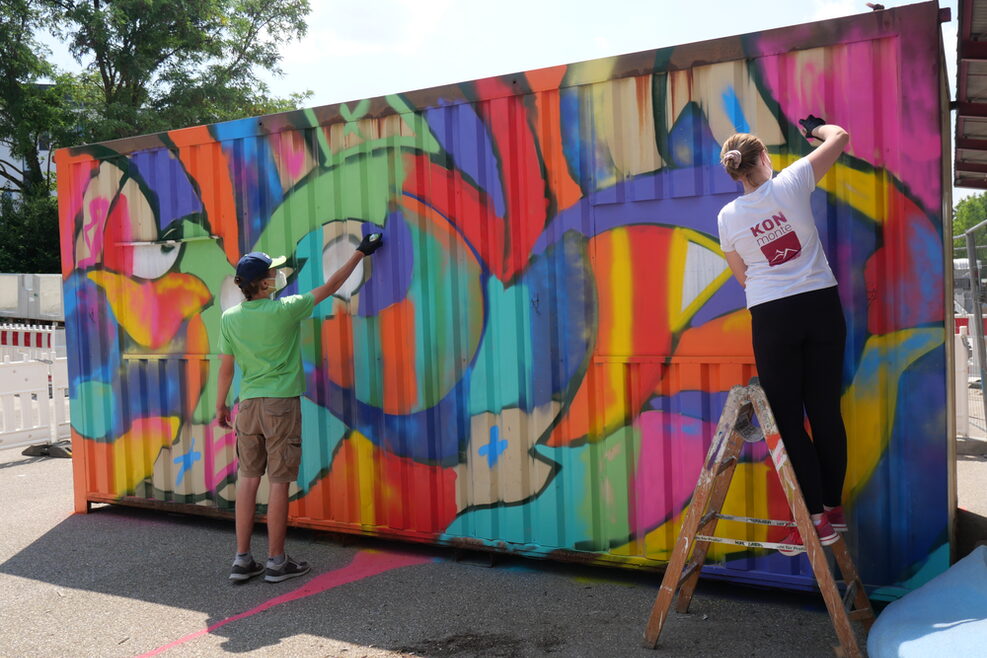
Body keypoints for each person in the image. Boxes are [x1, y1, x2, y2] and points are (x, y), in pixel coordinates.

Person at [716, 115, 850, 555]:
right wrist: (817, 129)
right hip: (822, 307)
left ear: (736, 170)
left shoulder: (728, 216)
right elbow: (840, 138)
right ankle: (835, 508)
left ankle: (814, 519)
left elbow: (742, 277)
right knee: (826, 411)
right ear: (765, 159)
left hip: (773, 316)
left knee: (788, 421)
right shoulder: (792, 181)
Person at [216, 232, 384, 582]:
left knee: (247, 481)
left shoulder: (230, 318)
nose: (279, 276)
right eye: (273, 273)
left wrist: (220, 405)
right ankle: (277, 561)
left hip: (247, 406)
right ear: (263, 284)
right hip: (280, 405)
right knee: (278, 482)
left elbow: (226, 367)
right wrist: (360, 252)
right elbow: (332, 284)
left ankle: (242, 559)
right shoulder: (285, 310)